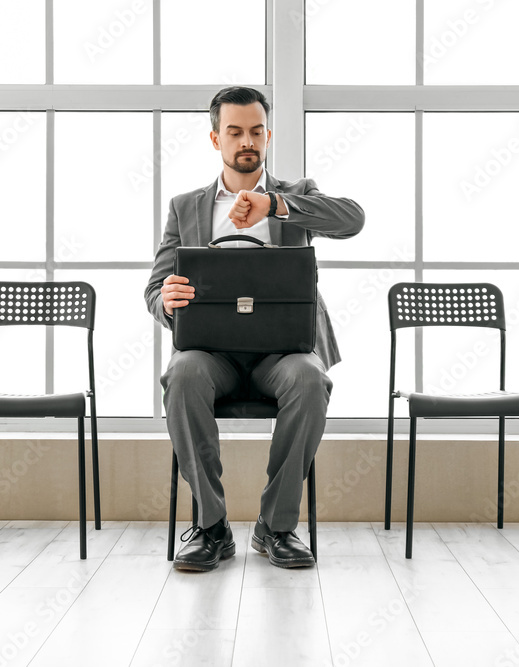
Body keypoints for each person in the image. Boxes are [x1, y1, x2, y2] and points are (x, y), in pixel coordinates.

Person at [144, 86, 364, 571]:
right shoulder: (186, 207)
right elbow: (155, 289)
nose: (248, 140)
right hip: (210, 355)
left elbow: (353, 220)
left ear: (268, 136)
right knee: (181, 374)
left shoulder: (296, 195)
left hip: (282, 355)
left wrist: (276, 206)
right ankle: (212, 526)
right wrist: (168, 300)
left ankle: (277, 527)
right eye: (235, 131)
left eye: (256, 131)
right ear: (215, 138)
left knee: (311, 379)